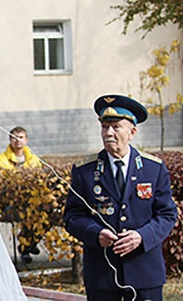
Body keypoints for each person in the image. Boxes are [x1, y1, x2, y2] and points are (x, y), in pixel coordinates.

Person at [64, 95, 177, 301]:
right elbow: (72, 217)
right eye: (104, 127)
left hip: (145, 272)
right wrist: (96, 233)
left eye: (116, 127)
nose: (108, 133)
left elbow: (168, 214)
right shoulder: (85, 171)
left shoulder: (153, 169)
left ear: (132, 132)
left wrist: (143, 236)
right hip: (102, 276)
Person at [0, 126, 42, 263]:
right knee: (26, 212)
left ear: (26, 140)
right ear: (10, 140)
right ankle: (26, 245)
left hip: (30, 202)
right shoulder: (1, 160)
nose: (17, 141)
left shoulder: (33, 160)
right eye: (14, 137)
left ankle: (29, 243)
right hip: (10, 204)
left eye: (21, 137)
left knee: (41, 213)